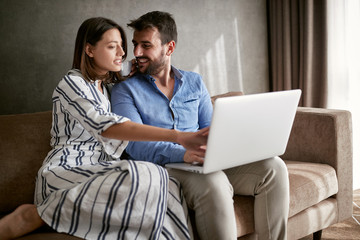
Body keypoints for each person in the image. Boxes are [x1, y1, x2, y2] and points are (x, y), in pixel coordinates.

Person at [0, 17, 209, 240]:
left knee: (168, 188)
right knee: (149, 172)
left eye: (121, 45)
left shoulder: (109, 89)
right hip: (68, 170)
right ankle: (40, 213)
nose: (122, 52)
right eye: (112, 46)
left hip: (103, 170)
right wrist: (178, 136)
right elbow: (107, 127)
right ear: (89, 50)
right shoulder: (72, 83)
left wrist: (138, 73)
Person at [111, 11, 290, 240]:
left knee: (273, 168)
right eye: (136, 44)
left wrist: (231, 147)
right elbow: (135, 146)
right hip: (162, 166)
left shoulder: (194, 82)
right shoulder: (124, 90)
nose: (136, 52)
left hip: (201, 160)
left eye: (146, 45)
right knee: (213, 182)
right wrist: (184, 153)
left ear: (169, 47)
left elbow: (212, 128)